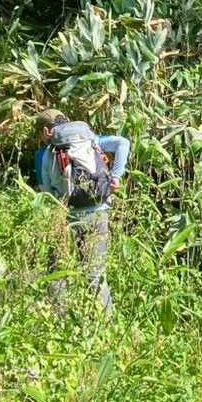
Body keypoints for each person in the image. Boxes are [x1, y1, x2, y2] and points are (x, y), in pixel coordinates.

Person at [33, 109, 130, 312]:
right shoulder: (90, 139)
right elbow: (122, 143)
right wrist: (116, 177)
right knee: (95, 274)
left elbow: (47, 194)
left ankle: (61, 318)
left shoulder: (43, 154)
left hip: (66, 217)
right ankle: (108, 323)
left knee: (56, 270)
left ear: (46, 131)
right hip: (99, 212)